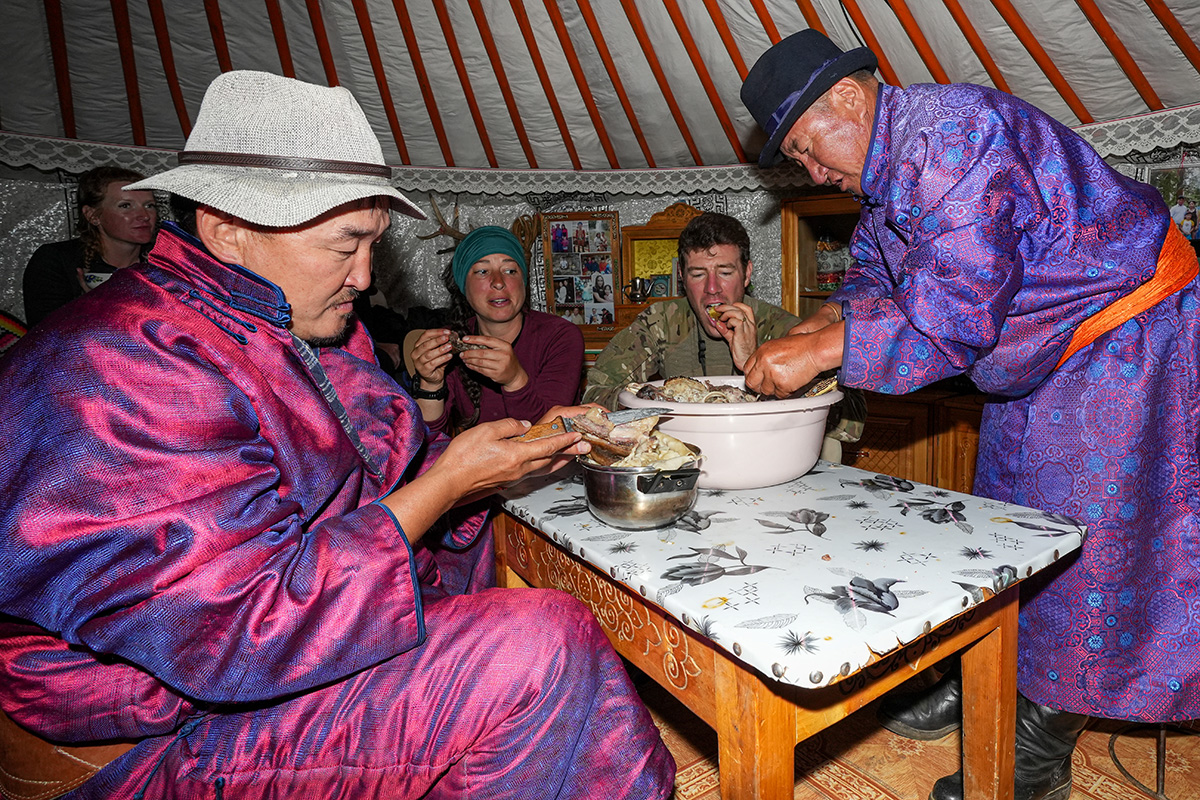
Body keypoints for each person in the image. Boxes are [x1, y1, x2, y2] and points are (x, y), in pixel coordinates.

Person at [0, 70, 674, 800]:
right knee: (540, 644)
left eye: (374, 245)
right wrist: (447, 484)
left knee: (494, 546)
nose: (363, 275)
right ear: (228, 229)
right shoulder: (126, 359)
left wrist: (504, 456)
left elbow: (383, 477)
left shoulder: (297, 321)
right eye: (343, 244)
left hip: (266, 653)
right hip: (161, 729)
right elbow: (243, 631)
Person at [740, 29, 1200, 800]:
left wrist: (823, 356)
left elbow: (950, 315)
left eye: (812, 152)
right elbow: (876, 278)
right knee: (1009, 523)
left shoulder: (956, 138)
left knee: (1092, 545)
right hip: (1044, 352)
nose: (814, 173)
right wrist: (817, 326)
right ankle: (985, 672)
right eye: (799, 165)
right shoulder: (890, 173)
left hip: (1127, 336)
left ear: (848, 99)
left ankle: (1038, 746)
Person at [582, 212, 803, 409]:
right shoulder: (661, 322)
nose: (712, 288)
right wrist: (653, 402)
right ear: (681, 276)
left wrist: (752, 362)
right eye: (698, 274)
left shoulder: (781, 328)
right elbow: (595, 394)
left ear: (746, 274)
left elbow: (816, 400)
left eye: (725, 272)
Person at [409, 226, 584, 434]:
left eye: (510, 271)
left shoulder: (560, 336)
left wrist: (515, 380)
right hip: (479, 464)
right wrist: (430, 384)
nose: (499, 282)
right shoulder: (450, 343)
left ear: (523, 281)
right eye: (482, 271)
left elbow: (551, 434)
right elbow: (427, 441)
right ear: (463, 285)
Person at [22, 165, 158, 326]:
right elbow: (44, 336)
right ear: (93, 215)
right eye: (125, 206)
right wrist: (91, 307)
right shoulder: (57, 260)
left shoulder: (163, 261)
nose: (144, 216)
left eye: (149, 205)